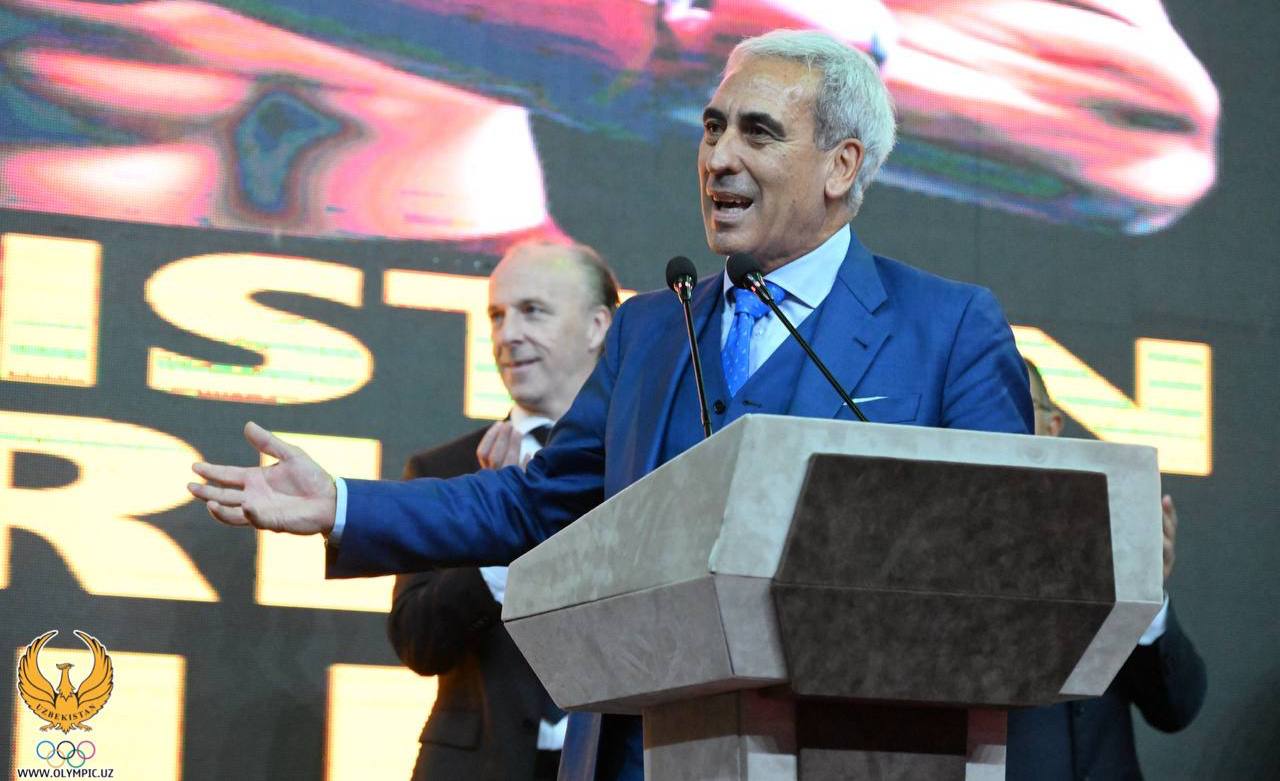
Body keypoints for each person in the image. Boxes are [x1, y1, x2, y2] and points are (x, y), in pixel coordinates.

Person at [188, 29, 1033, 780]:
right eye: (712, 127)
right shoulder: (650, 329)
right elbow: (535, 503)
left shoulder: (947, 328)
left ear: (841, 166)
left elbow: (1009, 560)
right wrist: (342, 503)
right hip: (640, 748)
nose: (718, 158)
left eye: (758, 132)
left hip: (854, 748)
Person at [387, 241, 618, 781]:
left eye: (532, 311)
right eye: (497, 315)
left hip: (615, 760)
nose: (507, 334)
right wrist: (499, 538)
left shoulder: (649, 463)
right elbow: (418, 642)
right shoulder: (446, 470)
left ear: (597, 326)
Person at [1007, 360, 1207, 780]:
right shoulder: (935, 544)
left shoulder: (1107, 531)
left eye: (1020, 406)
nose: (1003, 422)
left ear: (1053, 426)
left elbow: (1175, 710)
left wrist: (1145, 594)